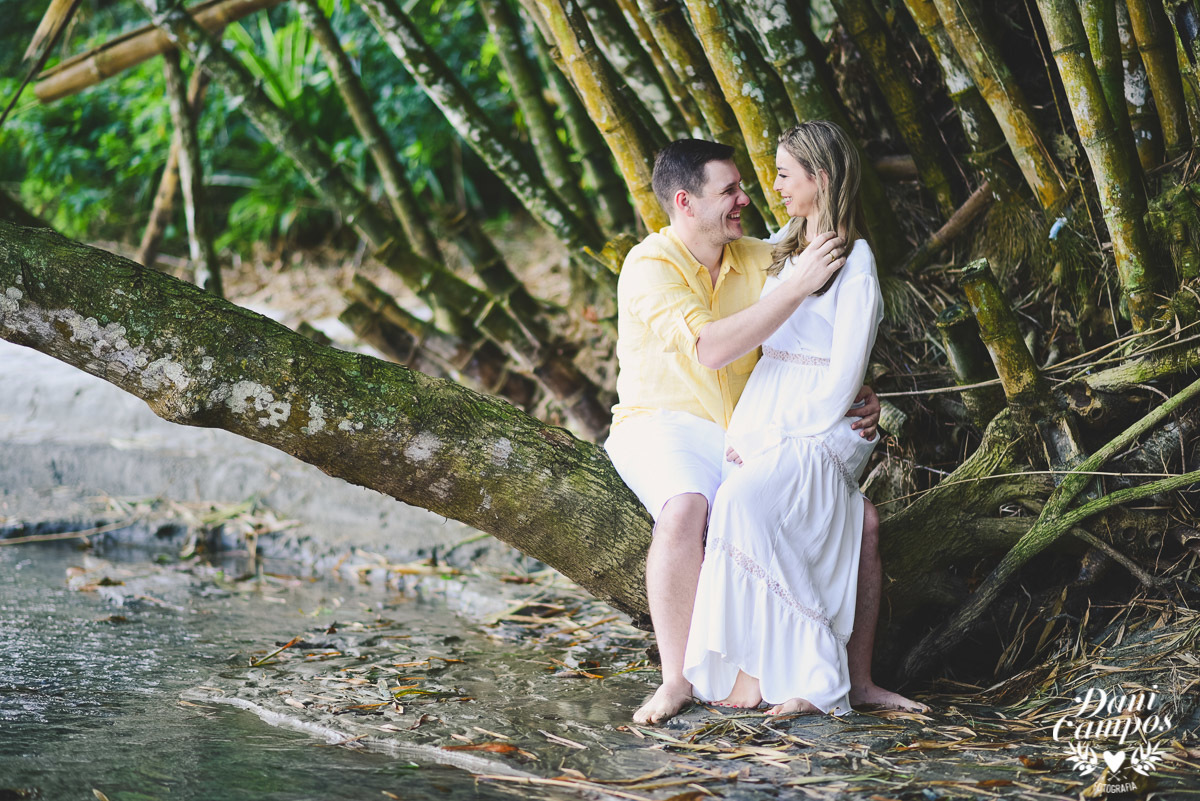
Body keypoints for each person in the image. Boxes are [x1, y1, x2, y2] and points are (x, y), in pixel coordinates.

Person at [604, 138, 916, 725]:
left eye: (746, 185)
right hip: (664, 423)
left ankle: (844, 677)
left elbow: (828, 325)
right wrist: (800, 293)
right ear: (685, 202)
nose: (746, 198)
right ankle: (679, 678)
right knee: (688, 506)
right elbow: (712, 348)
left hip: (750, 424)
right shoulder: (650, 266)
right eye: (729, 191)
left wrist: (858, 391)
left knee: (862, 520)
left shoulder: (759, 255)